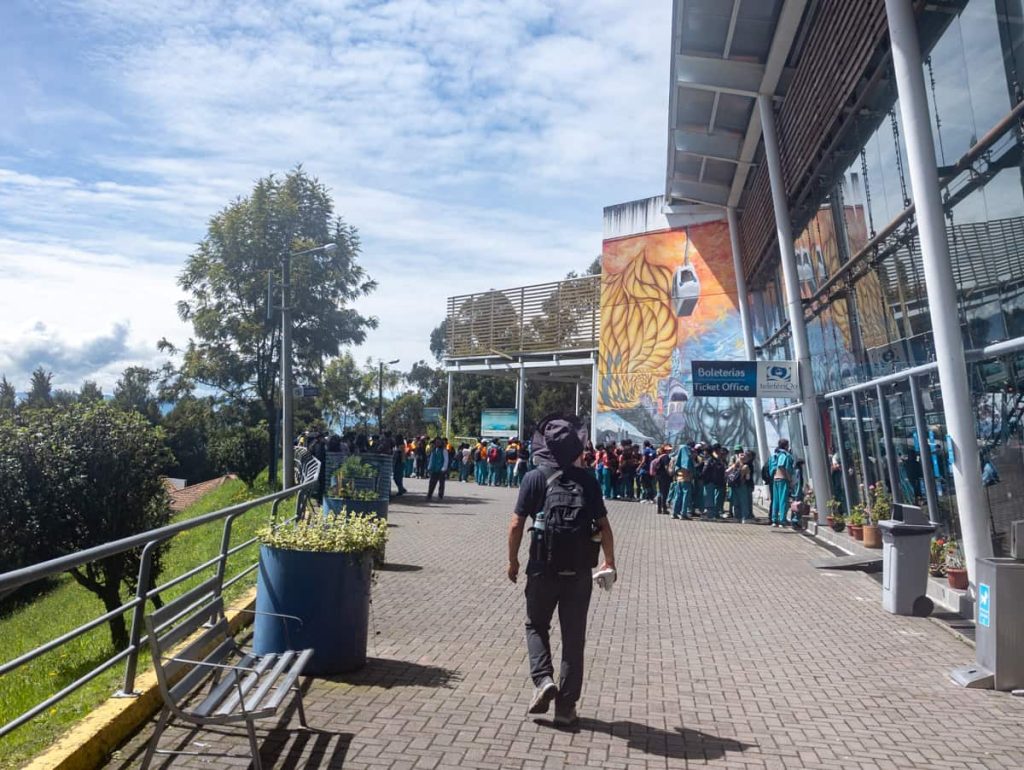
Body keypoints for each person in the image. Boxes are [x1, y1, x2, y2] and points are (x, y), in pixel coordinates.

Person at [507, 414, 616, 726]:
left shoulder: (534, 477)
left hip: (541, 567)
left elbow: (516, 523)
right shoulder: (589, 480)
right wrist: (610, 562)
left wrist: (513, 561)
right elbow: (605, 527)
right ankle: (566, 709)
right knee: (573, 639)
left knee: (535, 625)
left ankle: (543, 681)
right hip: (579, 571)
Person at [769, 439, 794, 528]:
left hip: (775, 479)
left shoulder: (775, 454)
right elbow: (782, 466)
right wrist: (789, 479)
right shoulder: (784, 455)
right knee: (783, 500)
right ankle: (782, 520)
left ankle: (774, 519)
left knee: (776, 500)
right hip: (783, 479)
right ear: (786, 446)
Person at [652, 444, 673, 514]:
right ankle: (664, 508)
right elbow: (666, 467)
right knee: (664, 493)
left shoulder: (660, 456)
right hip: (664, 476)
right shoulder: (666, 457)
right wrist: (670, 473)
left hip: (659, 476)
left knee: (660, 491)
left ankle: (659, 508)